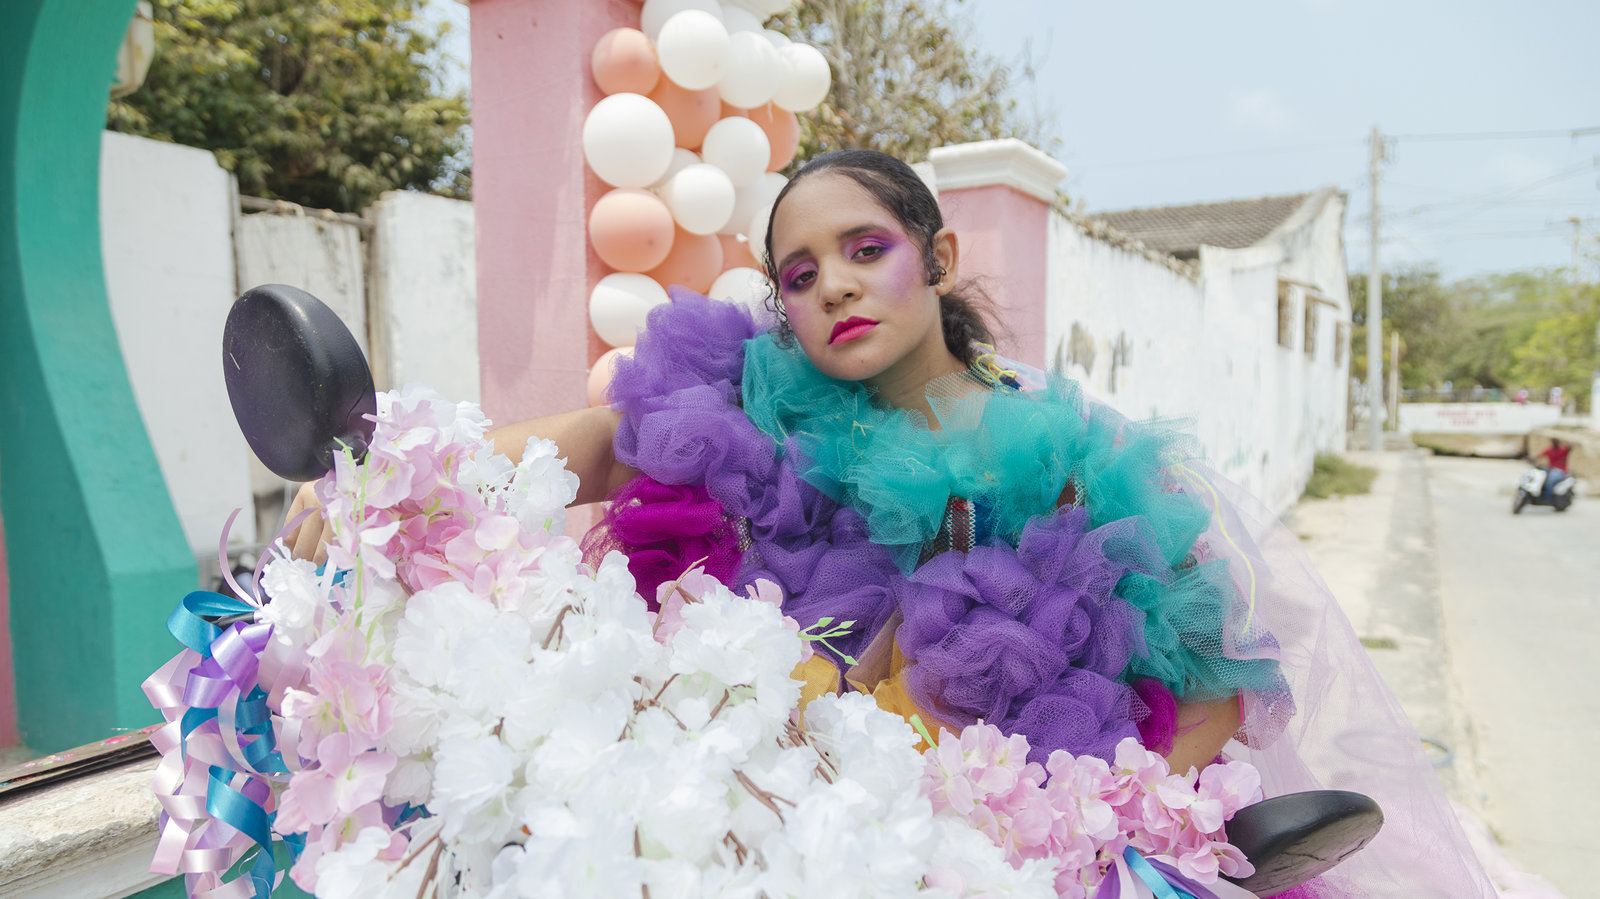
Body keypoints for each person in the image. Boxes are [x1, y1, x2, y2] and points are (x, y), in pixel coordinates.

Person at [288, 149, 1493, 895]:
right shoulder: (744, 404)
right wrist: (377, 469)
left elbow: (1211, 703)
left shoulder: (1078, 464)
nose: (836, 285)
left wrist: (1076, 836)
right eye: (800, 274)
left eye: (865, 248)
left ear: (938, 254)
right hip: (750, 822)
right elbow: (586, 445)